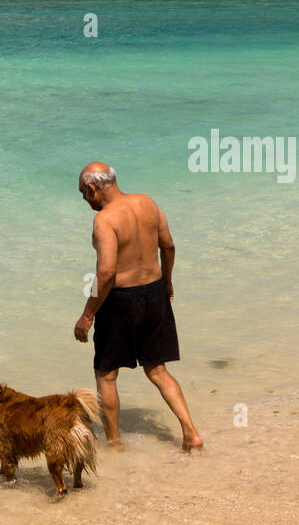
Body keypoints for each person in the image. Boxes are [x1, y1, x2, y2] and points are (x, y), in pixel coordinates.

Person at [72, 161, 204, 453]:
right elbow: (168, 246)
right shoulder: (148, 203)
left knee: (106, 374)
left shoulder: (104, 220)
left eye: (83, 194)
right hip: (155, 293)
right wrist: (167, 282)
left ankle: (115, 444)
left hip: (120, 301)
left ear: (93, 188)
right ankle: (191, 433)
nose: (85, 200)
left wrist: (87, 314)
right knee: (157, 370)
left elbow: (106, 274)